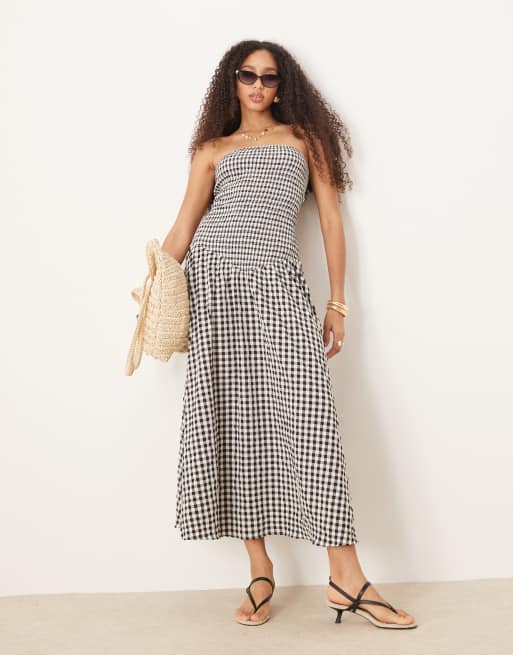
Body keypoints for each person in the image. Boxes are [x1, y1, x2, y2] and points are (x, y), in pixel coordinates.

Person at [161, 40, 417, 630]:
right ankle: (259, 569)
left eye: (269, 77)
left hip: (279, 287)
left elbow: (330, 218)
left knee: (310, 420)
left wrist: (338, 301)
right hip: (214, 288)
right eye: (246, 74)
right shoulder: (212, 149)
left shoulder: (304, 140)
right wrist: (153, 289)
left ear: (283, 85)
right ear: (231, 81)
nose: (257, 85)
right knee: (231, 419)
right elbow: (184, 226)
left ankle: (345, 575)